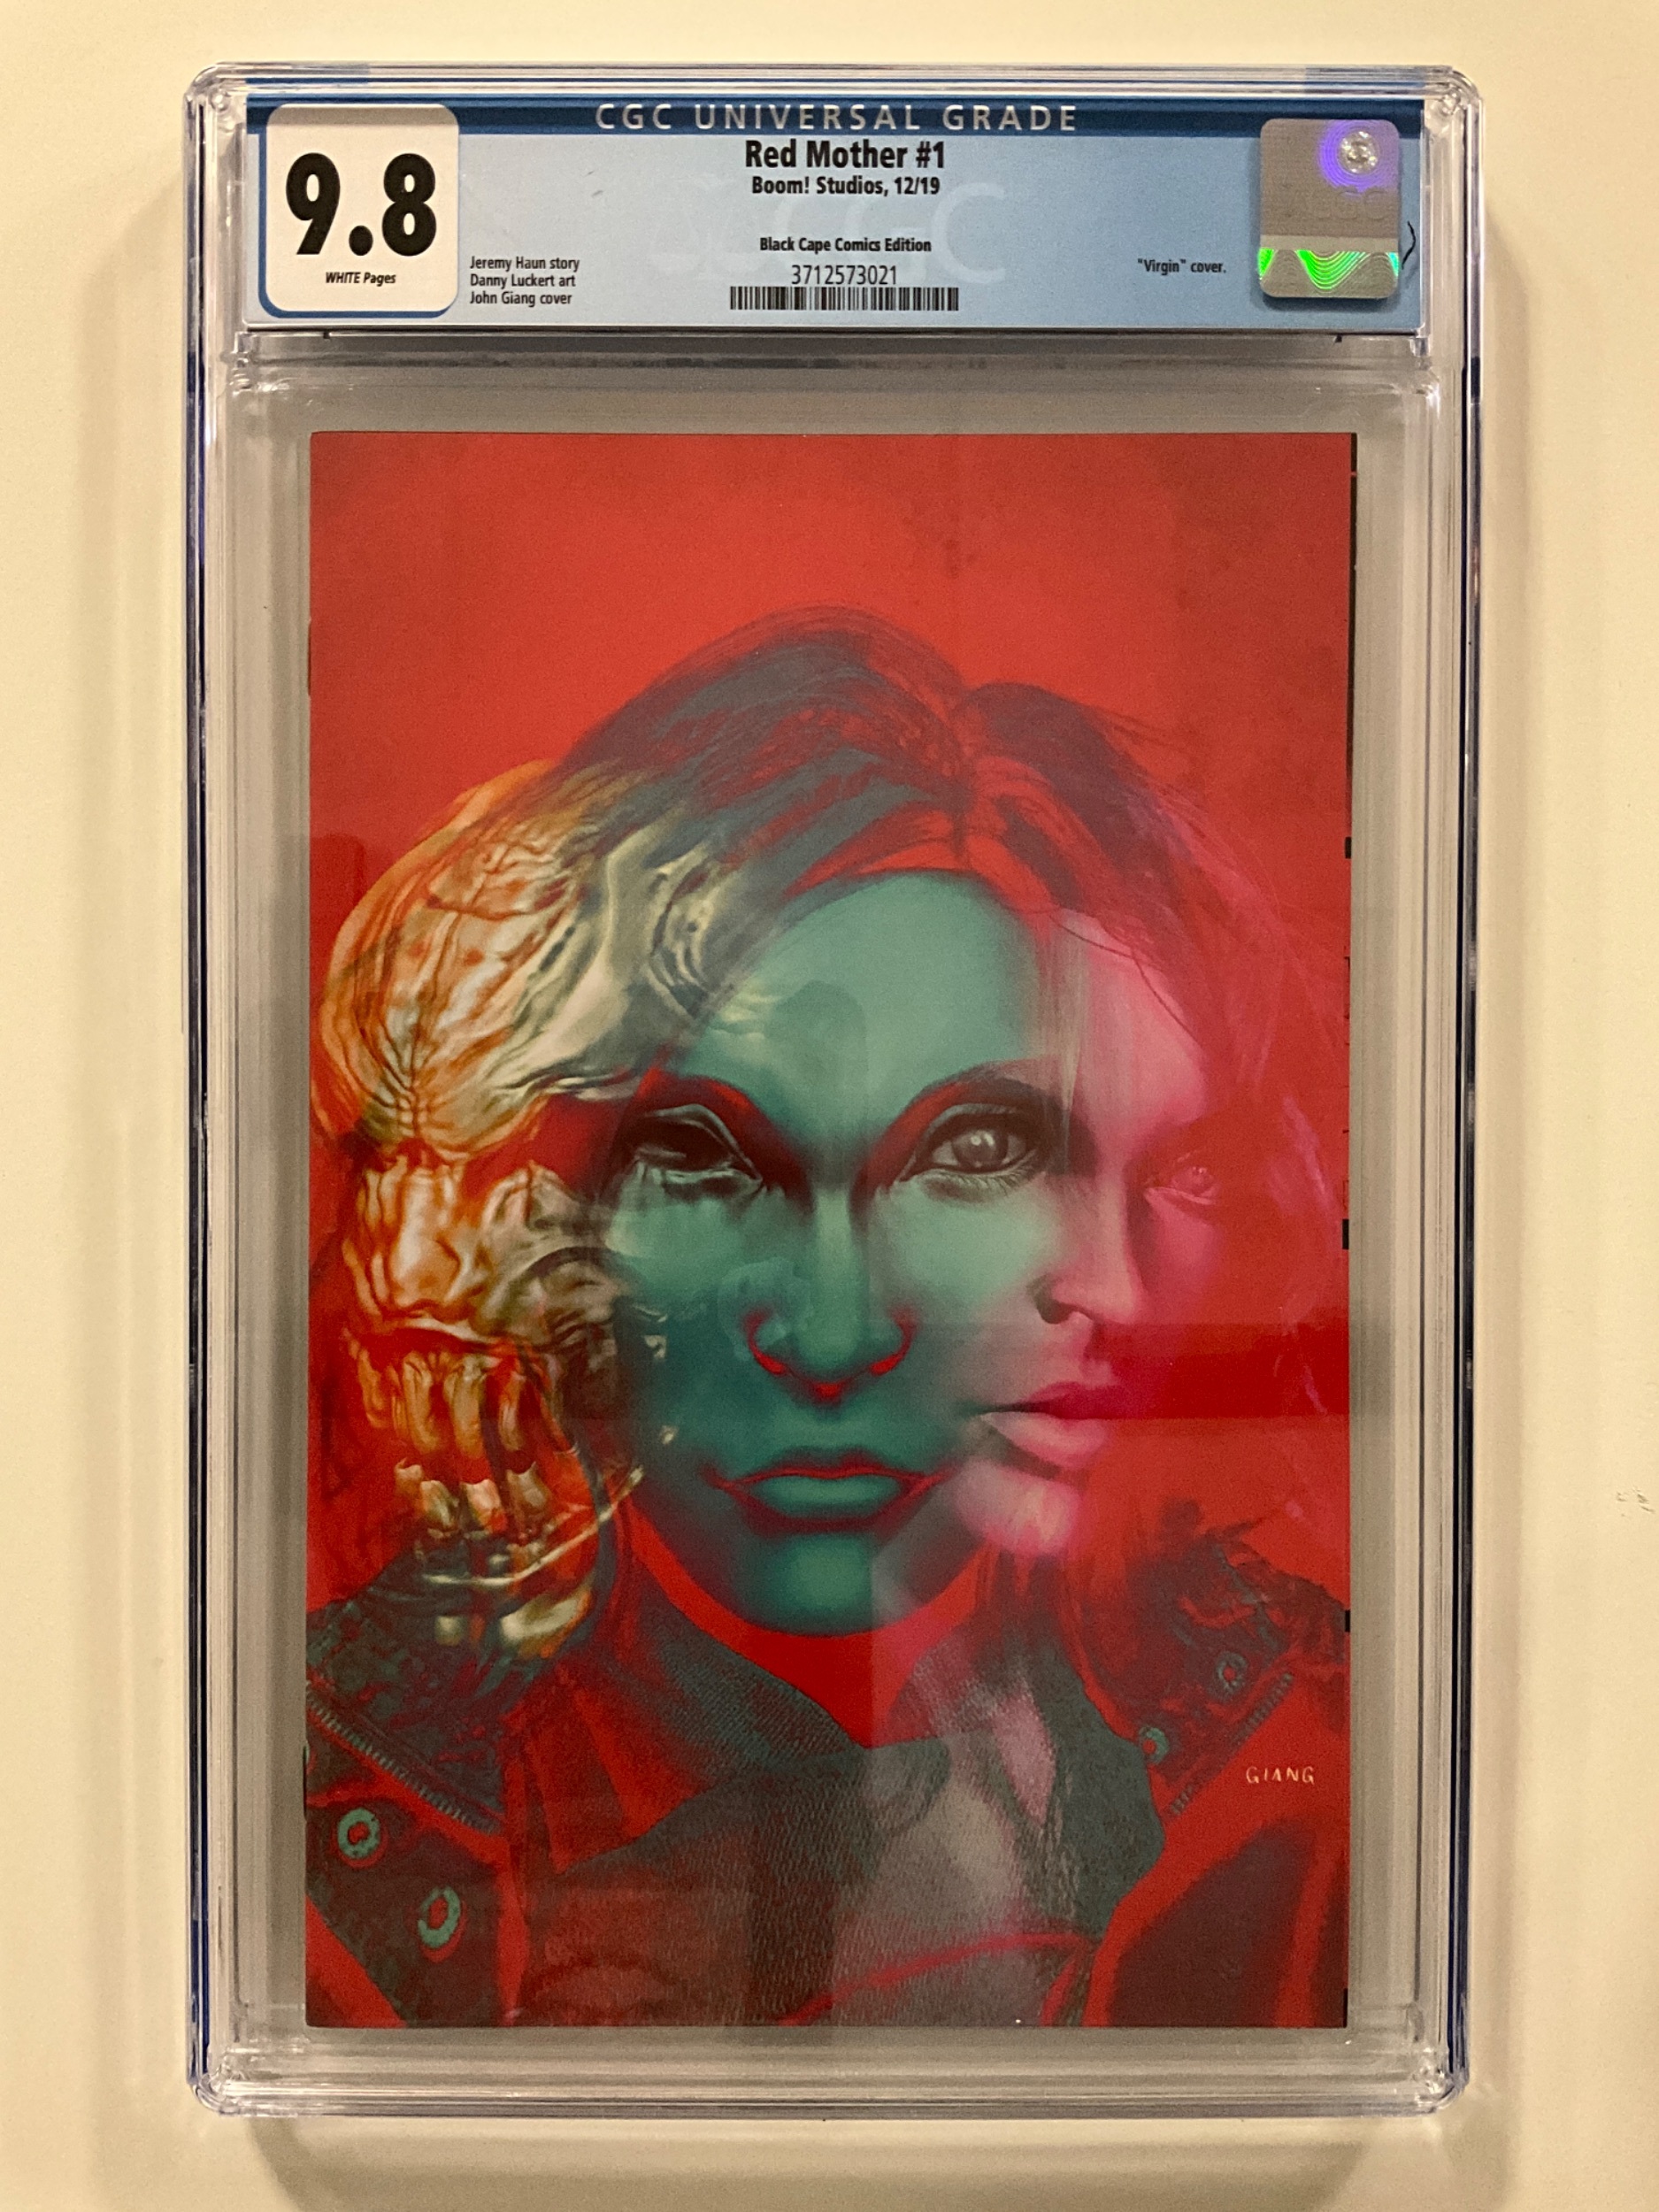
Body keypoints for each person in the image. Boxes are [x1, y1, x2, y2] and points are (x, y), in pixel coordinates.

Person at [303, 611, 1348, 2031]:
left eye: (968, 1152)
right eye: (704, 1161)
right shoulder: (316, 1801)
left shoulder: (1282, 1728)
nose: (839, 1333)